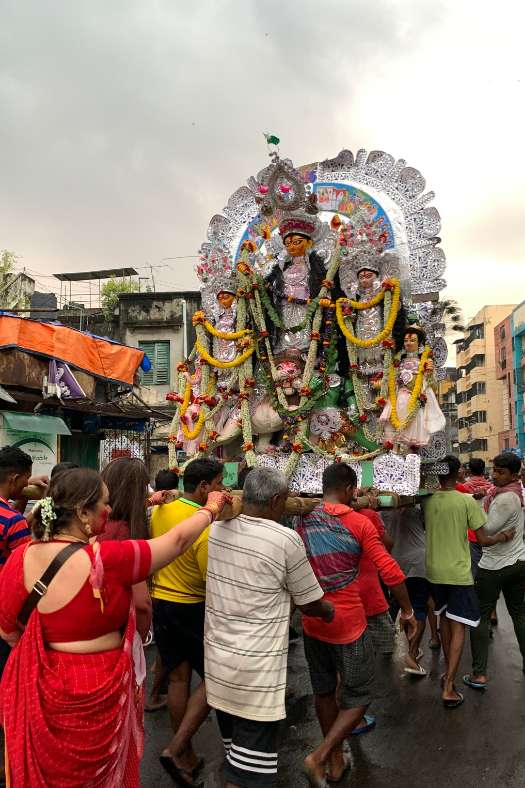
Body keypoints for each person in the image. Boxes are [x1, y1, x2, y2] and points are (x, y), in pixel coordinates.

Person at [0, 466, 230, 787]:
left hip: (42, 689)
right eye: (104, 504)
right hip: (99, 687)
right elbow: (176, 542)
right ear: (82, 512)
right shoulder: (108, 560)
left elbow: (9, 631)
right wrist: (211, 508)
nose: (109, 509)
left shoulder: (19, 558)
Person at [205, 467, 334, 788]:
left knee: (236, 757)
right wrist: (328, 609)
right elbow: (309, 602)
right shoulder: (285, 539)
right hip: (256, 675)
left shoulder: (218, 530)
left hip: (219, 664)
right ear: (278, 500)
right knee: (246, 776)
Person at [296, 463, 417, 786]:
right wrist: (406, 610)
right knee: (360, 695)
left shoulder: (303, 519)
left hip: (312, 620)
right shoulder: (359, 523)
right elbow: (390, 571)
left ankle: (336, 761)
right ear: (350, 488)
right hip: (348, 623)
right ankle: (320, 755)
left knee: (323, 692)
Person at [150, 457, 224, 785]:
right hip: (192, 607)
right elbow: (212, 578)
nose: (223, 491)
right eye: (219, 484)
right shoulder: (202, 522)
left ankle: (186, 753)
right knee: (216, 677)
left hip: (161, 602)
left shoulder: (161, 509)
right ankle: (180, 746)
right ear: (205, 487)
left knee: (178, 679)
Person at [421, 455, 514, 708]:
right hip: (458, 572)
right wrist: (504, 536)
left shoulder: (426, 501)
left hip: (434, 570)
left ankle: (446, 674)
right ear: (456, 474)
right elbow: (483, 540)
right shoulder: (465, 502)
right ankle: (449, 686)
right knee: (460, 625)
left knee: (444, 620)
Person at [465, 453, 525, 690]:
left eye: (501, 472)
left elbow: (486, 529)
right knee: (519, 613)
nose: (495, 475)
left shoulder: (505, 499)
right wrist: (482, 499)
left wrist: (471, 505)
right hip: (518, 561)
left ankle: (479, 674)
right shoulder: (513, 493)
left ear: (513, 474)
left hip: (494, 565)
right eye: (495, 470)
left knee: (480, 616)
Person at [100, 457, 152, 641]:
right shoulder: (124, 533)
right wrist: (142, 635)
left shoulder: (93, 523)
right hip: (117, 631)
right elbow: (141, 604)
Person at [385, 505, 434, 674]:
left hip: (395, 562)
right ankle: (412, 655)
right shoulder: (418, 508)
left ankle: (413, 648)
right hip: (418, 562)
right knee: (418, 608)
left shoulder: (383, 510)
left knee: (407, 609)